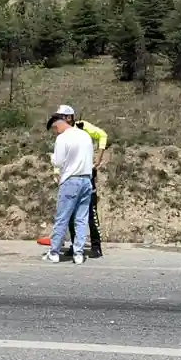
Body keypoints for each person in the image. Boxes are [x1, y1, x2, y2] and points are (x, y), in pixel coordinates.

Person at [52, 105, 107, 258]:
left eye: (60, 117)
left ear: (69, 118)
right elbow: (62, 156)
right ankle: (76, 246)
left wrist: (99, 156)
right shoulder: (62, 133)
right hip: (69, 176)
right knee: (70, 214)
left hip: (85, 175)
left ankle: (96, 246)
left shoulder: (83, 127)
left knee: (89, 212)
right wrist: (57, 173)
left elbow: (102, 135)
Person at [42, 113, 94, 265]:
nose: (55, 132)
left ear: (58, 124)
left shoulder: (62, 138)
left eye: (54, 128)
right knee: (81, 219)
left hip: (71, 181)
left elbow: (58, 162)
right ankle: (78, 254)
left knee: (62, 218)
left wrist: (52, 157)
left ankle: (54, 252)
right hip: (86, 180)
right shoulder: (85, 136)